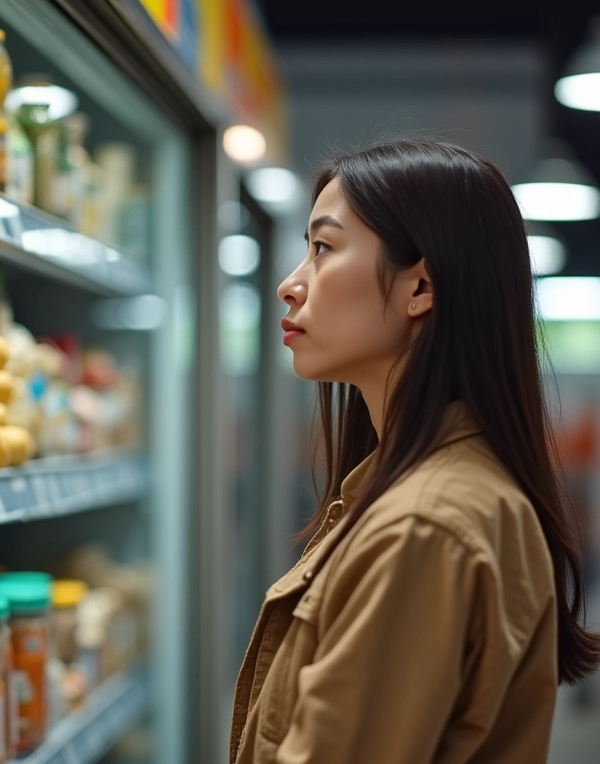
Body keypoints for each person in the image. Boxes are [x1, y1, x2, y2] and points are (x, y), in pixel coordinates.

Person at [230, 138, 600, 764]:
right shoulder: (430, 495)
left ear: (421, 286)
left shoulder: (423, 527)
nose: (290, 285)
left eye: (323, 248)